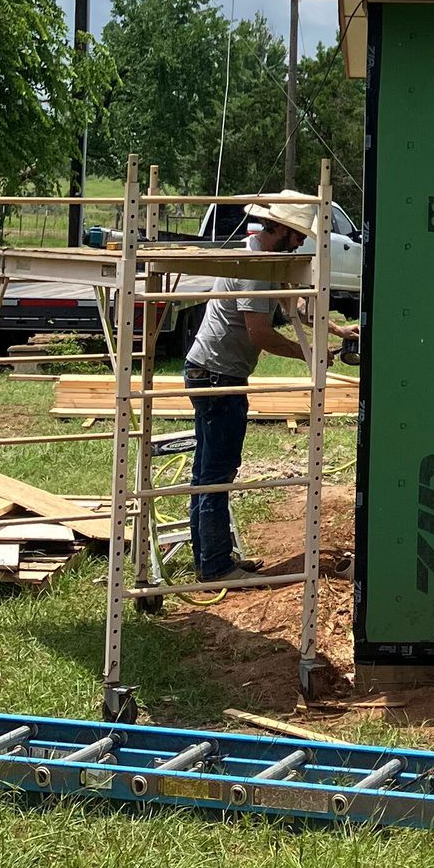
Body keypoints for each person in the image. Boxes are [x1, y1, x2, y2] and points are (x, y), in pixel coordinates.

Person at [180, 192, 328, 583]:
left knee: (209, 470)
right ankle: (214, 566)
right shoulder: (251, 265)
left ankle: (212, 558)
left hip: (215, 372)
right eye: (295, 233)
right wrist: (309, 354)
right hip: (217, 375)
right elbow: (260, 334)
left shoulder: (265, 261)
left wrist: (335, 330)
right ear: (276, 227)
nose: (300, 241)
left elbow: (293, 307)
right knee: (216, 472)